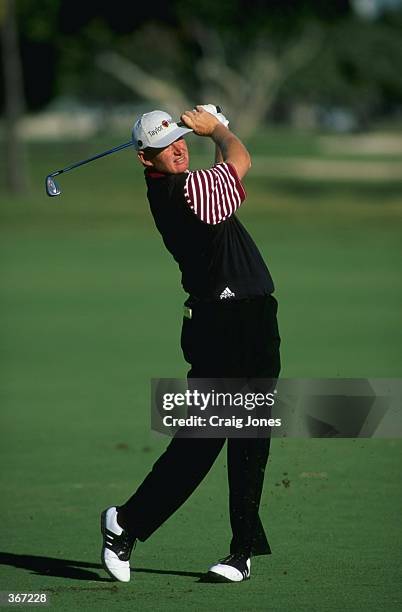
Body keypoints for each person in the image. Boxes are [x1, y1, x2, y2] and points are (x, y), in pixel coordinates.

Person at [100, 105, 281, 583]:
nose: (178, 148)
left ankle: (241, 553)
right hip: (220, 326)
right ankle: (125, 523)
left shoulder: (183, 181)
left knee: (251, 438)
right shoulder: (184, 191)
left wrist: (197, 125)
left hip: (255, 318)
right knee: (203, 440)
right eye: (165, 146)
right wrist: (218, 129)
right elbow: (240, 159)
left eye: (181, 139)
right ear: (146, 160)